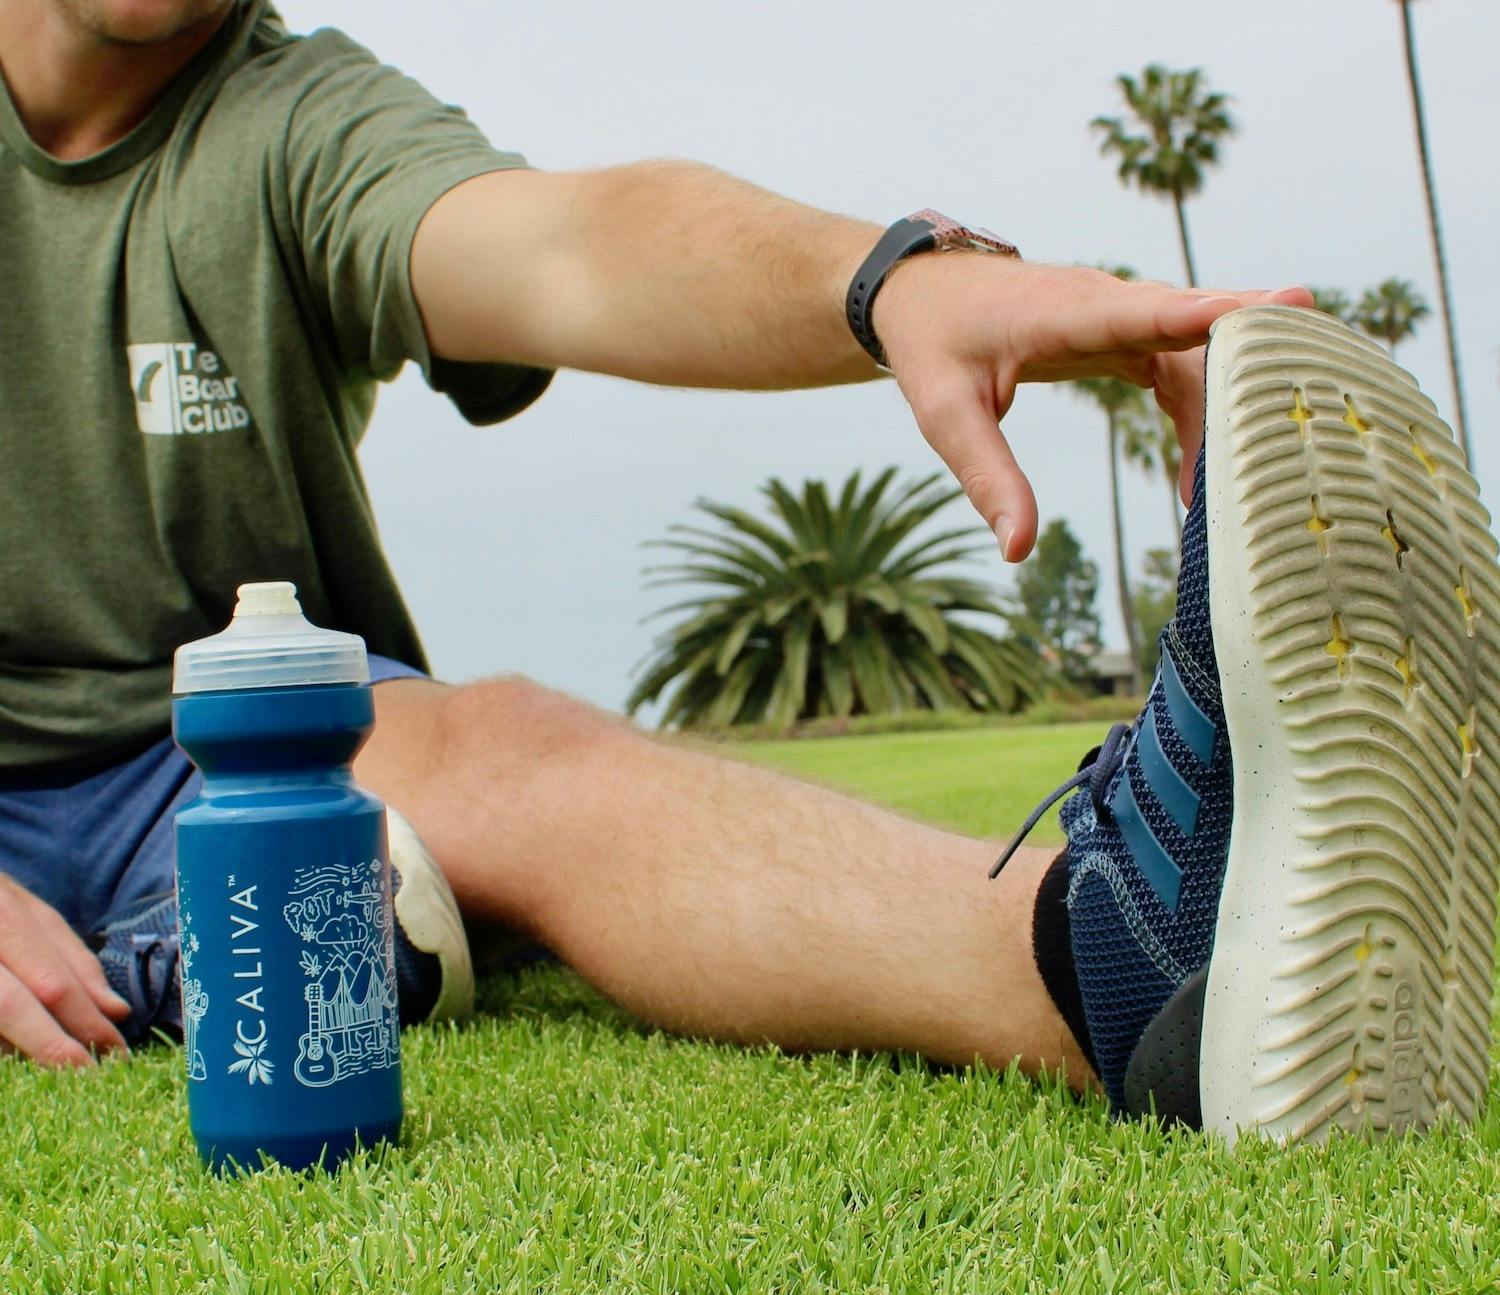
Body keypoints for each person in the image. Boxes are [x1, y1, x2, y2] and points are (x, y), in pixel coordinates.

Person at [0, 0, 1492, 1143]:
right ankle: (269, 954)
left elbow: (575, 245)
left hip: (255, 754)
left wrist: (899, 278)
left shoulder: (291, 117)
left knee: (505, 747)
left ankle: (1120, 959)